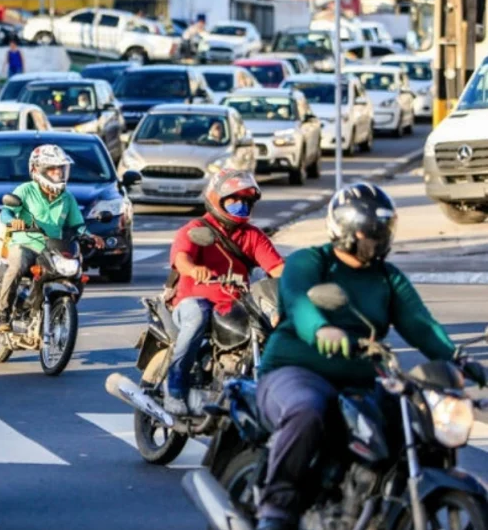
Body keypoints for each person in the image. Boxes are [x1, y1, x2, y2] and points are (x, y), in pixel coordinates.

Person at [254, 182, 487, 530]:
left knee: (413, 420)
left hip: (361, 378)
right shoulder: (311, 261)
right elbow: (300, 302)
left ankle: (379, 500)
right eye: (372, 230)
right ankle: (277, 508)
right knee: (309, 409)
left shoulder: (387, 278)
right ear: (346, 230)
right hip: (294, 369)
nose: (380, 237)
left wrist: (458, 358)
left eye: (384, 228)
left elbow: (420, 324)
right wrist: (322, 330)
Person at [165, 169, 284, 415]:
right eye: (233, 199)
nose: (240, 205)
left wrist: (301, 281)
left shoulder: (252, 236)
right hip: (192, 301)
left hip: (234, 305)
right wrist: (195, 269)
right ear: (217, 199)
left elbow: (277, 268)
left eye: (245, 201)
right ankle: (174, 386)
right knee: (198, 315)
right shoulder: (196, 228)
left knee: (272, 327)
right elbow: (181, 258)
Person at [0, 145, 103, 332]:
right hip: (25, 243)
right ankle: (1, 313)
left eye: (61, 169)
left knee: (73, 274)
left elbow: (77, 225)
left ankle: (54, 311)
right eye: (53, 169)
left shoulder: (67, 198)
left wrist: (91, 236)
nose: (58, 173)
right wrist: (13, 222)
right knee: (17, 266)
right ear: (37, 170)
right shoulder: (26, 190)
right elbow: (6, 212)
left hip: (53, 246)